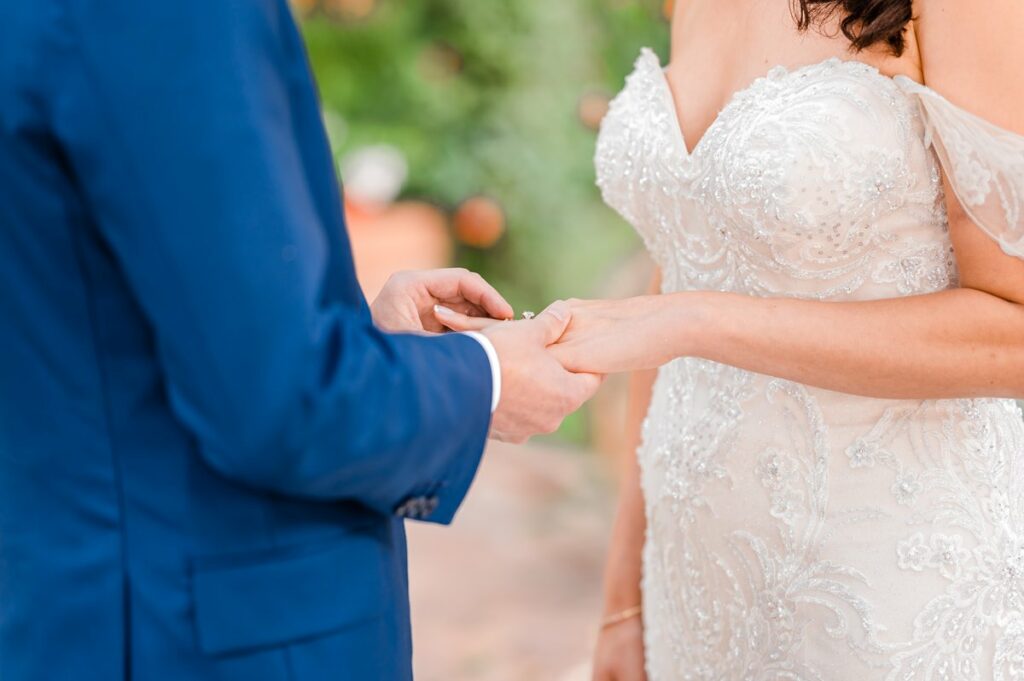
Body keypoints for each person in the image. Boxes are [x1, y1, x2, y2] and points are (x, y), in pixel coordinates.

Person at [0, 1, 600, 679]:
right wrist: (486, 378)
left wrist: (365, 341)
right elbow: (282, 400)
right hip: (191, 632)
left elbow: (116, 331)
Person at [442, 0, 1024, 678]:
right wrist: (624, 598)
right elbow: (687, 259)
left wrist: (697, 321)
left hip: (892, 588)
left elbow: (1011, 326)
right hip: (692, 590)